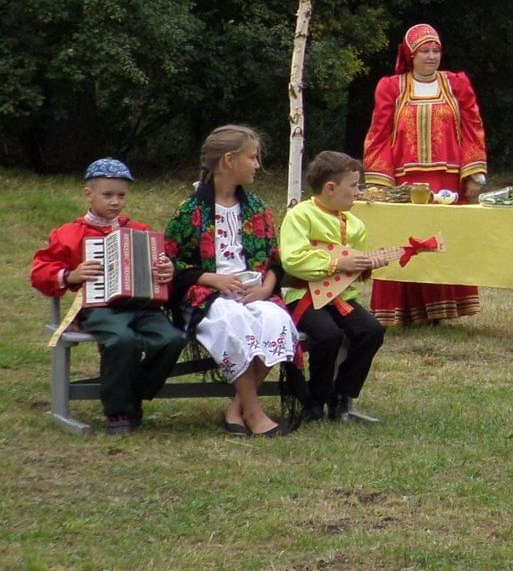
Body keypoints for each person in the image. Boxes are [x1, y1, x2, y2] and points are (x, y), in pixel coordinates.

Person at [163, 125, 299, 437]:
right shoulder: (190, 211)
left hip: (253, 291)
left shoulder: (257, 209)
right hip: (207, 296)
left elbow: (275, 259)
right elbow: (170, 262)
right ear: (228, 160)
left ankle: (236, 408)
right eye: (252, 158)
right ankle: (253, 412)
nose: (257, 165)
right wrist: (212, 279)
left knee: (277, 321)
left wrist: (266, 288)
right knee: (233, 321)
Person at [30, 159, 182, 434]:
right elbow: (40, 272)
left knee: (173, 339)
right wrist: (70, 275)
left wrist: (166, 270)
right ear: (89, 194)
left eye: (121, 195)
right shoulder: (69, 234)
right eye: (108, 195)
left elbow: (160, 265)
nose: (115, 202)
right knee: (123, 340)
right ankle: (119, 411)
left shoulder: (139, 229)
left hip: (143, 306)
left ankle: (130, 392)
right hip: (99, 307)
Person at [361, 22, 487, 326]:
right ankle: (401, 311)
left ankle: (440, 311)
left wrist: (474, 173)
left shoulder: (457, 84)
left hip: (448, 182)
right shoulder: (392, 87)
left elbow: (473, 127)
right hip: (406, 183)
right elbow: (379, 134)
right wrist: (380, 182)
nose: (431, 56)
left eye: (436, 50)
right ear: (411, 55)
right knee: (404, 240)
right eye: (424, 51)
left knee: (442, 240)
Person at [279, 150, 392, 422]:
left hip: (341, 298)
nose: (358, 191)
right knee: (327, 335)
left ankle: (342, 399)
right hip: (303, 296)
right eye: (353, 185)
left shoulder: (355, 225)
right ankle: (314, 402)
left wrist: (365, 267)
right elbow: (292, 260)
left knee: (371, 330)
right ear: (330, 188)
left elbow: (350, 270)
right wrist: (336, 265)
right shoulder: (300, 215)